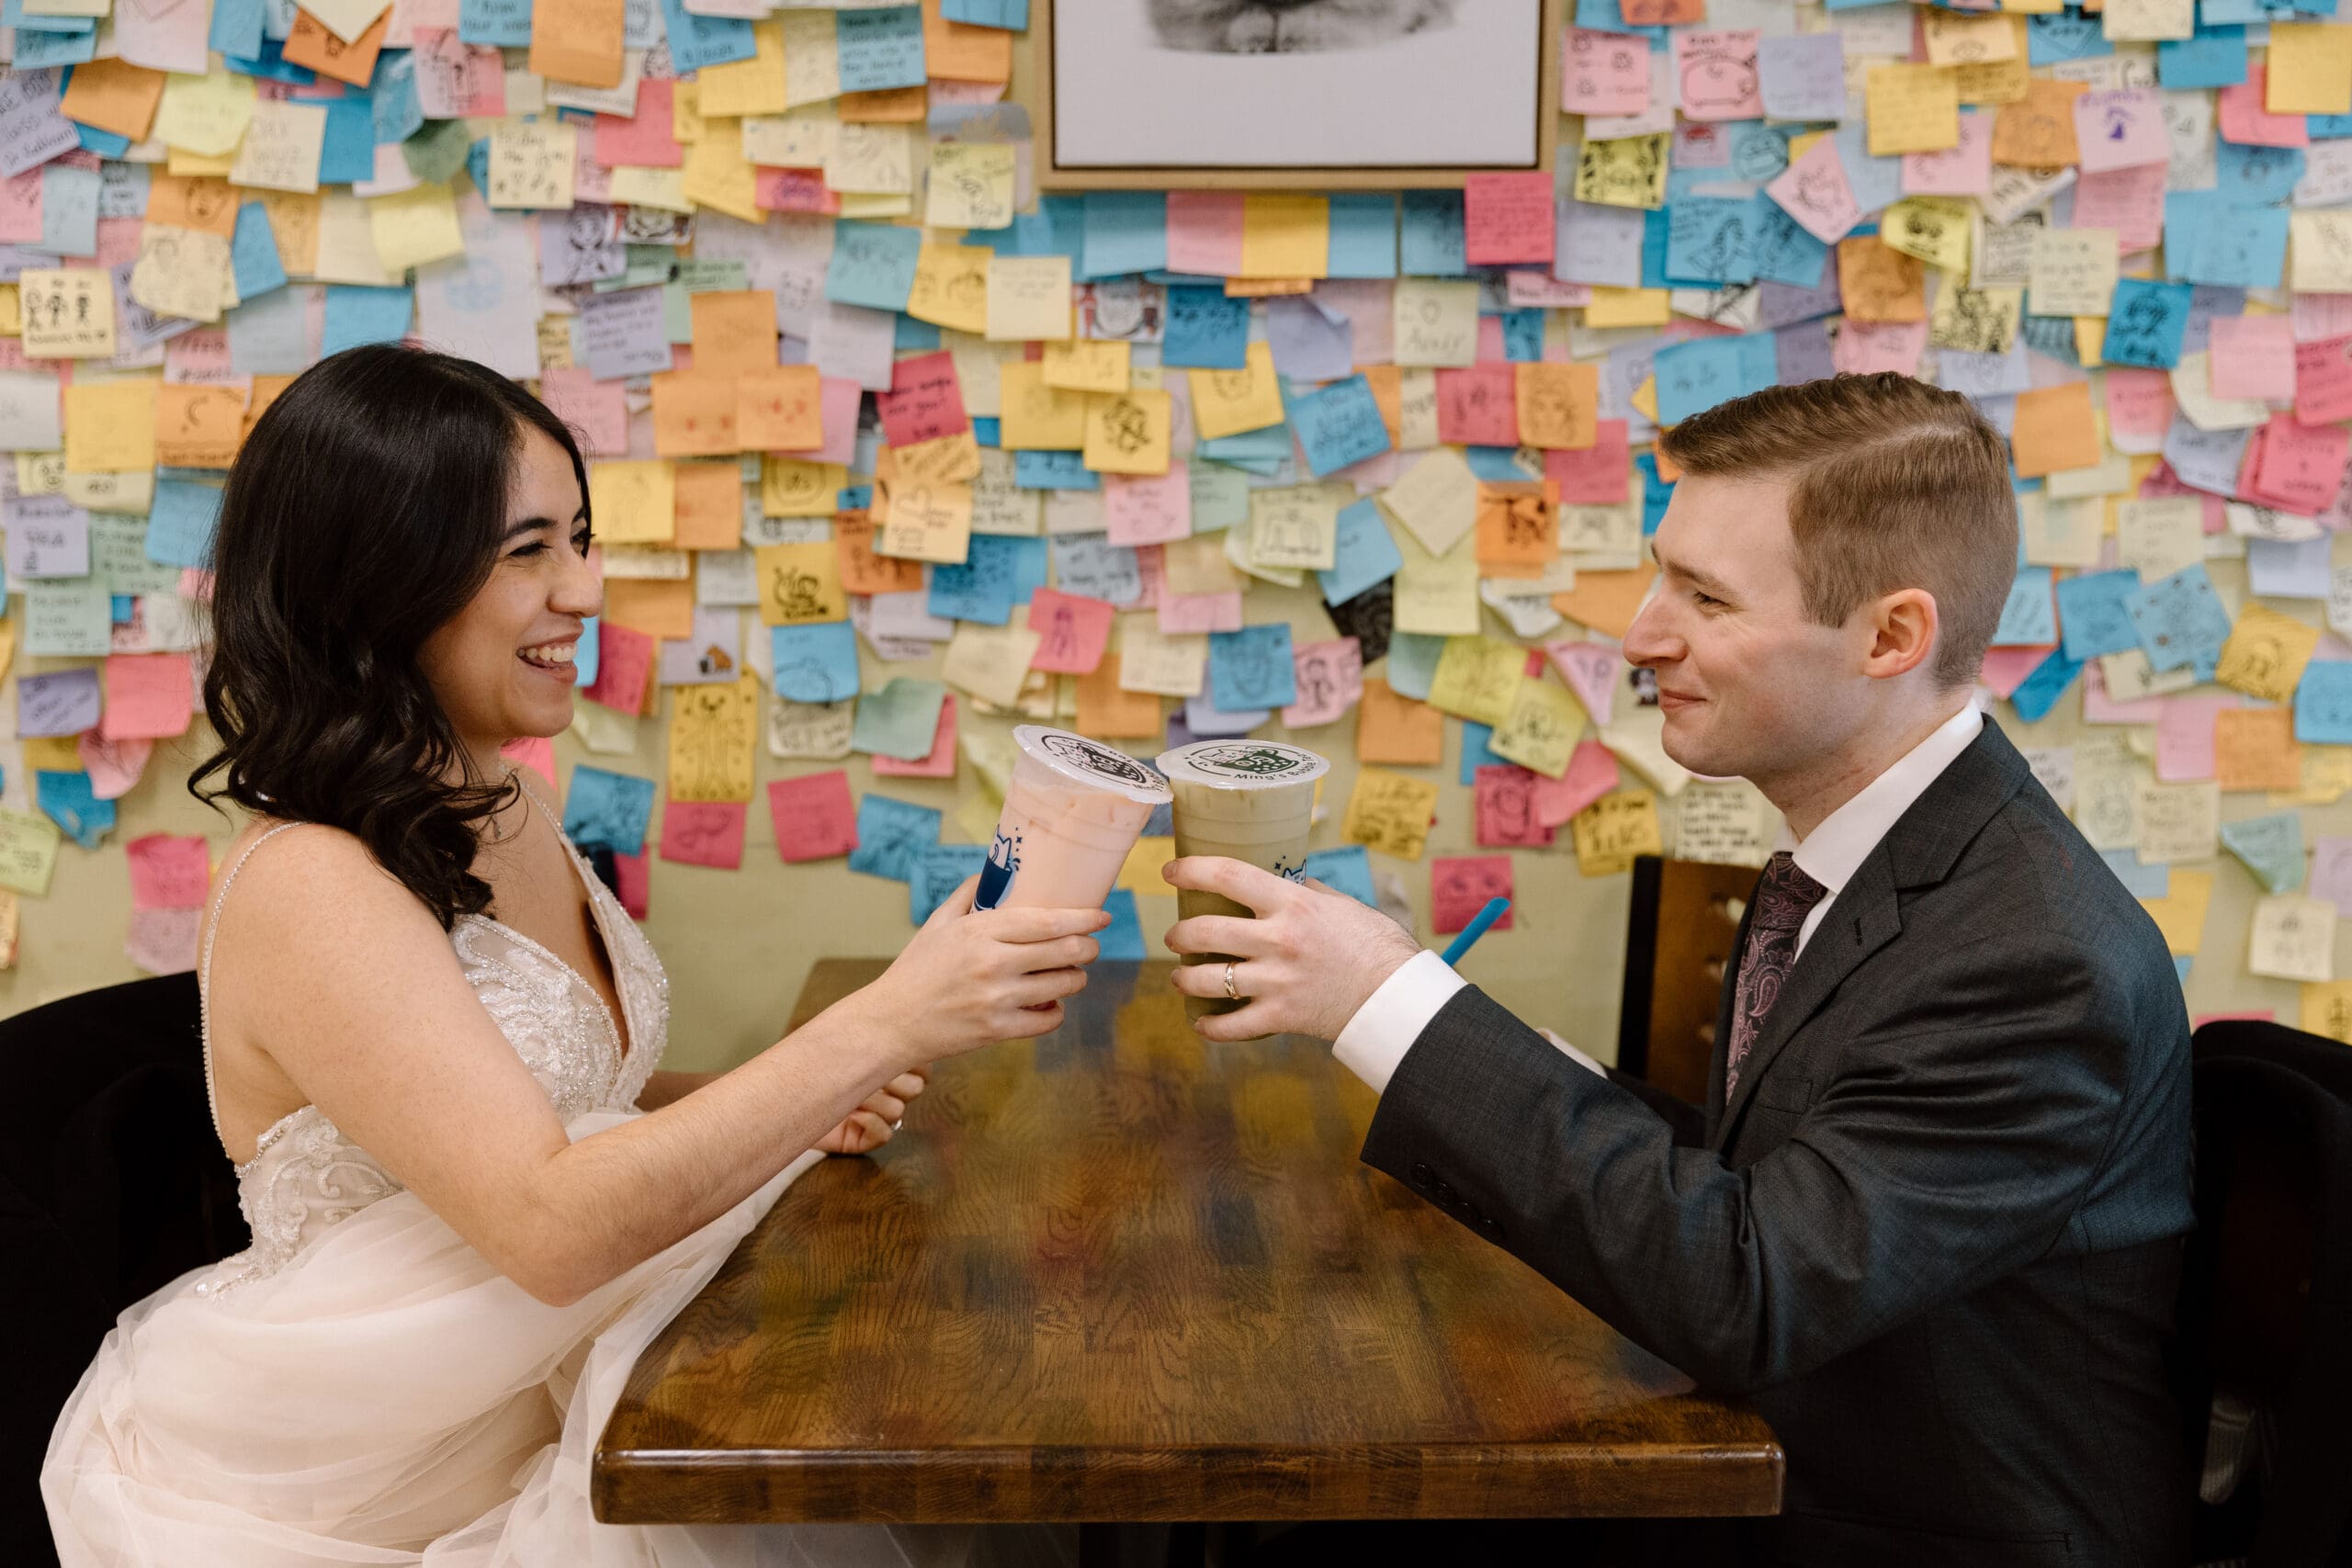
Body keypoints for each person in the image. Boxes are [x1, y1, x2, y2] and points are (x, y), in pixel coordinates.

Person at [43, 345, 1102, 1566]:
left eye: (582, 540)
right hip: (378, 1479)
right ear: (384, 579)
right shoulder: (310, 884)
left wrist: (805, 1099)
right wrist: (880, 1022)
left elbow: (563, 1100)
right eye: (529, 552)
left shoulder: (502, 797)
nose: (587, 591)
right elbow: (548, 1225)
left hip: (553, 1388)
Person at [1163, 375, 2196, 1567]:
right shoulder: (1871, 857)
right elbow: (1763, 1184)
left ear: (1890, 637)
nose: (1641, 635)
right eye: (1663, 573)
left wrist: (1390, 997)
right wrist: (1419, 1023)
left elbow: (1750, 1285)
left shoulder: (2036, 960)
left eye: (1704, 597)